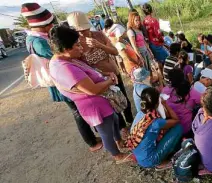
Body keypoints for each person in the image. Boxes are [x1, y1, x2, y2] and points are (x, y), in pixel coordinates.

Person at [21, 3, 103, 152]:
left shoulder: (37, 38)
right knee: (78, 110)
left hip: (64, 78)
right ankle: (91, 141)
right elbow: (61, 56)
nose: (52, 26)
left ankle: (97, 133)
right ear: (43, 25)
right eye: (50, 23)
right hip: (63, 81)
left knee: (82, 107)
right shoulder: (39, 42)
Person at [48, 25, 133, 163]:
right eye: (77, 45)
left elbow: (89, 70)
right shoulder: (64, 68)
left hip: (101, 100)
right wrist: (110, 81)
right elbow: (92, 90)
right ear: (65, 49)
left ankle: (119, 141)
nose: (81, 48)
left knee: (114, 121)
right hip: (94, 103)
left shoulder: (65, 58)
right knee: (106, 131)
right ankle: (117, 155)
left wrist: (105, 74)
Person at [67, 11, 134, 136]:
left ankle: (131, 120)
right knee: (113, 104)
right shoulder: (76, 46)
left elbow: (115, 52)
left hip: (115, 73)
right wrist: (104, 74)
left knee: (124, 99)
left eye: (85, 29)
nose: (83, 33)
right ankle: (122, 127)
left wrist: (100, 45)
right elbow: (84, 67)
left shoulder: (98, 35)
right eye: (79, 31)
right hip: (101, 80)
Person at [126, 87, 183, 169]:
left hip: (136, 153)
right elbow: (176, 120)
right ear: (157, 104)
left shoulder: (140, 113)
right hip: (149, 160)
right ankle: (160, 162)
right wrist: (165, 104)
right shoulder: (156, 122)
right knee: (178, 128)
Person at [162, 69, 202, 136]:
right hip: (186, 128)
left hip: (170, 128)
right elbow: (204, 102)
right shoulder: (191, 91)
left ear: (170, 80)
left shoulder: (165, 90)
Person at [142, 3, 169, 73]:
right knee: (167, 58)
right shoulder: (154, 20)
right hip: (157, 43)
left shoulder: (144, 21)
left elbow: (145, 33)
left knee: (158, 60)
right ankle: (167, 74)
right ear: (151, 10)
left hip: (150, 44)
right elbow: (158, 33)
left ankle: (162, 76)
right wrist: (163, 42)